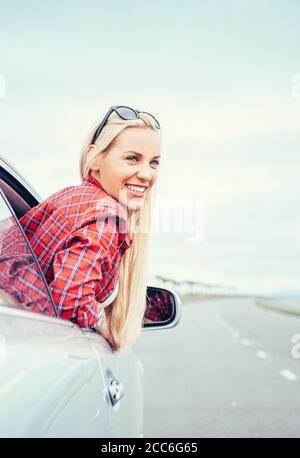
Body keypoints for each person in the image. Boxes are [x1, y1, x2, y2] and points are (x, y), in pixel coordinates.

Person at [16, 105, 161, 351]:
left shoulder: (70, 197)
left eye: (154, 162)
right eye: (132, 158)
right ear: (95, 160)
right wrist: (104, 326)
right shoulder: (108, 218)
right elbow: (70, 300)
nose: (147, 174)